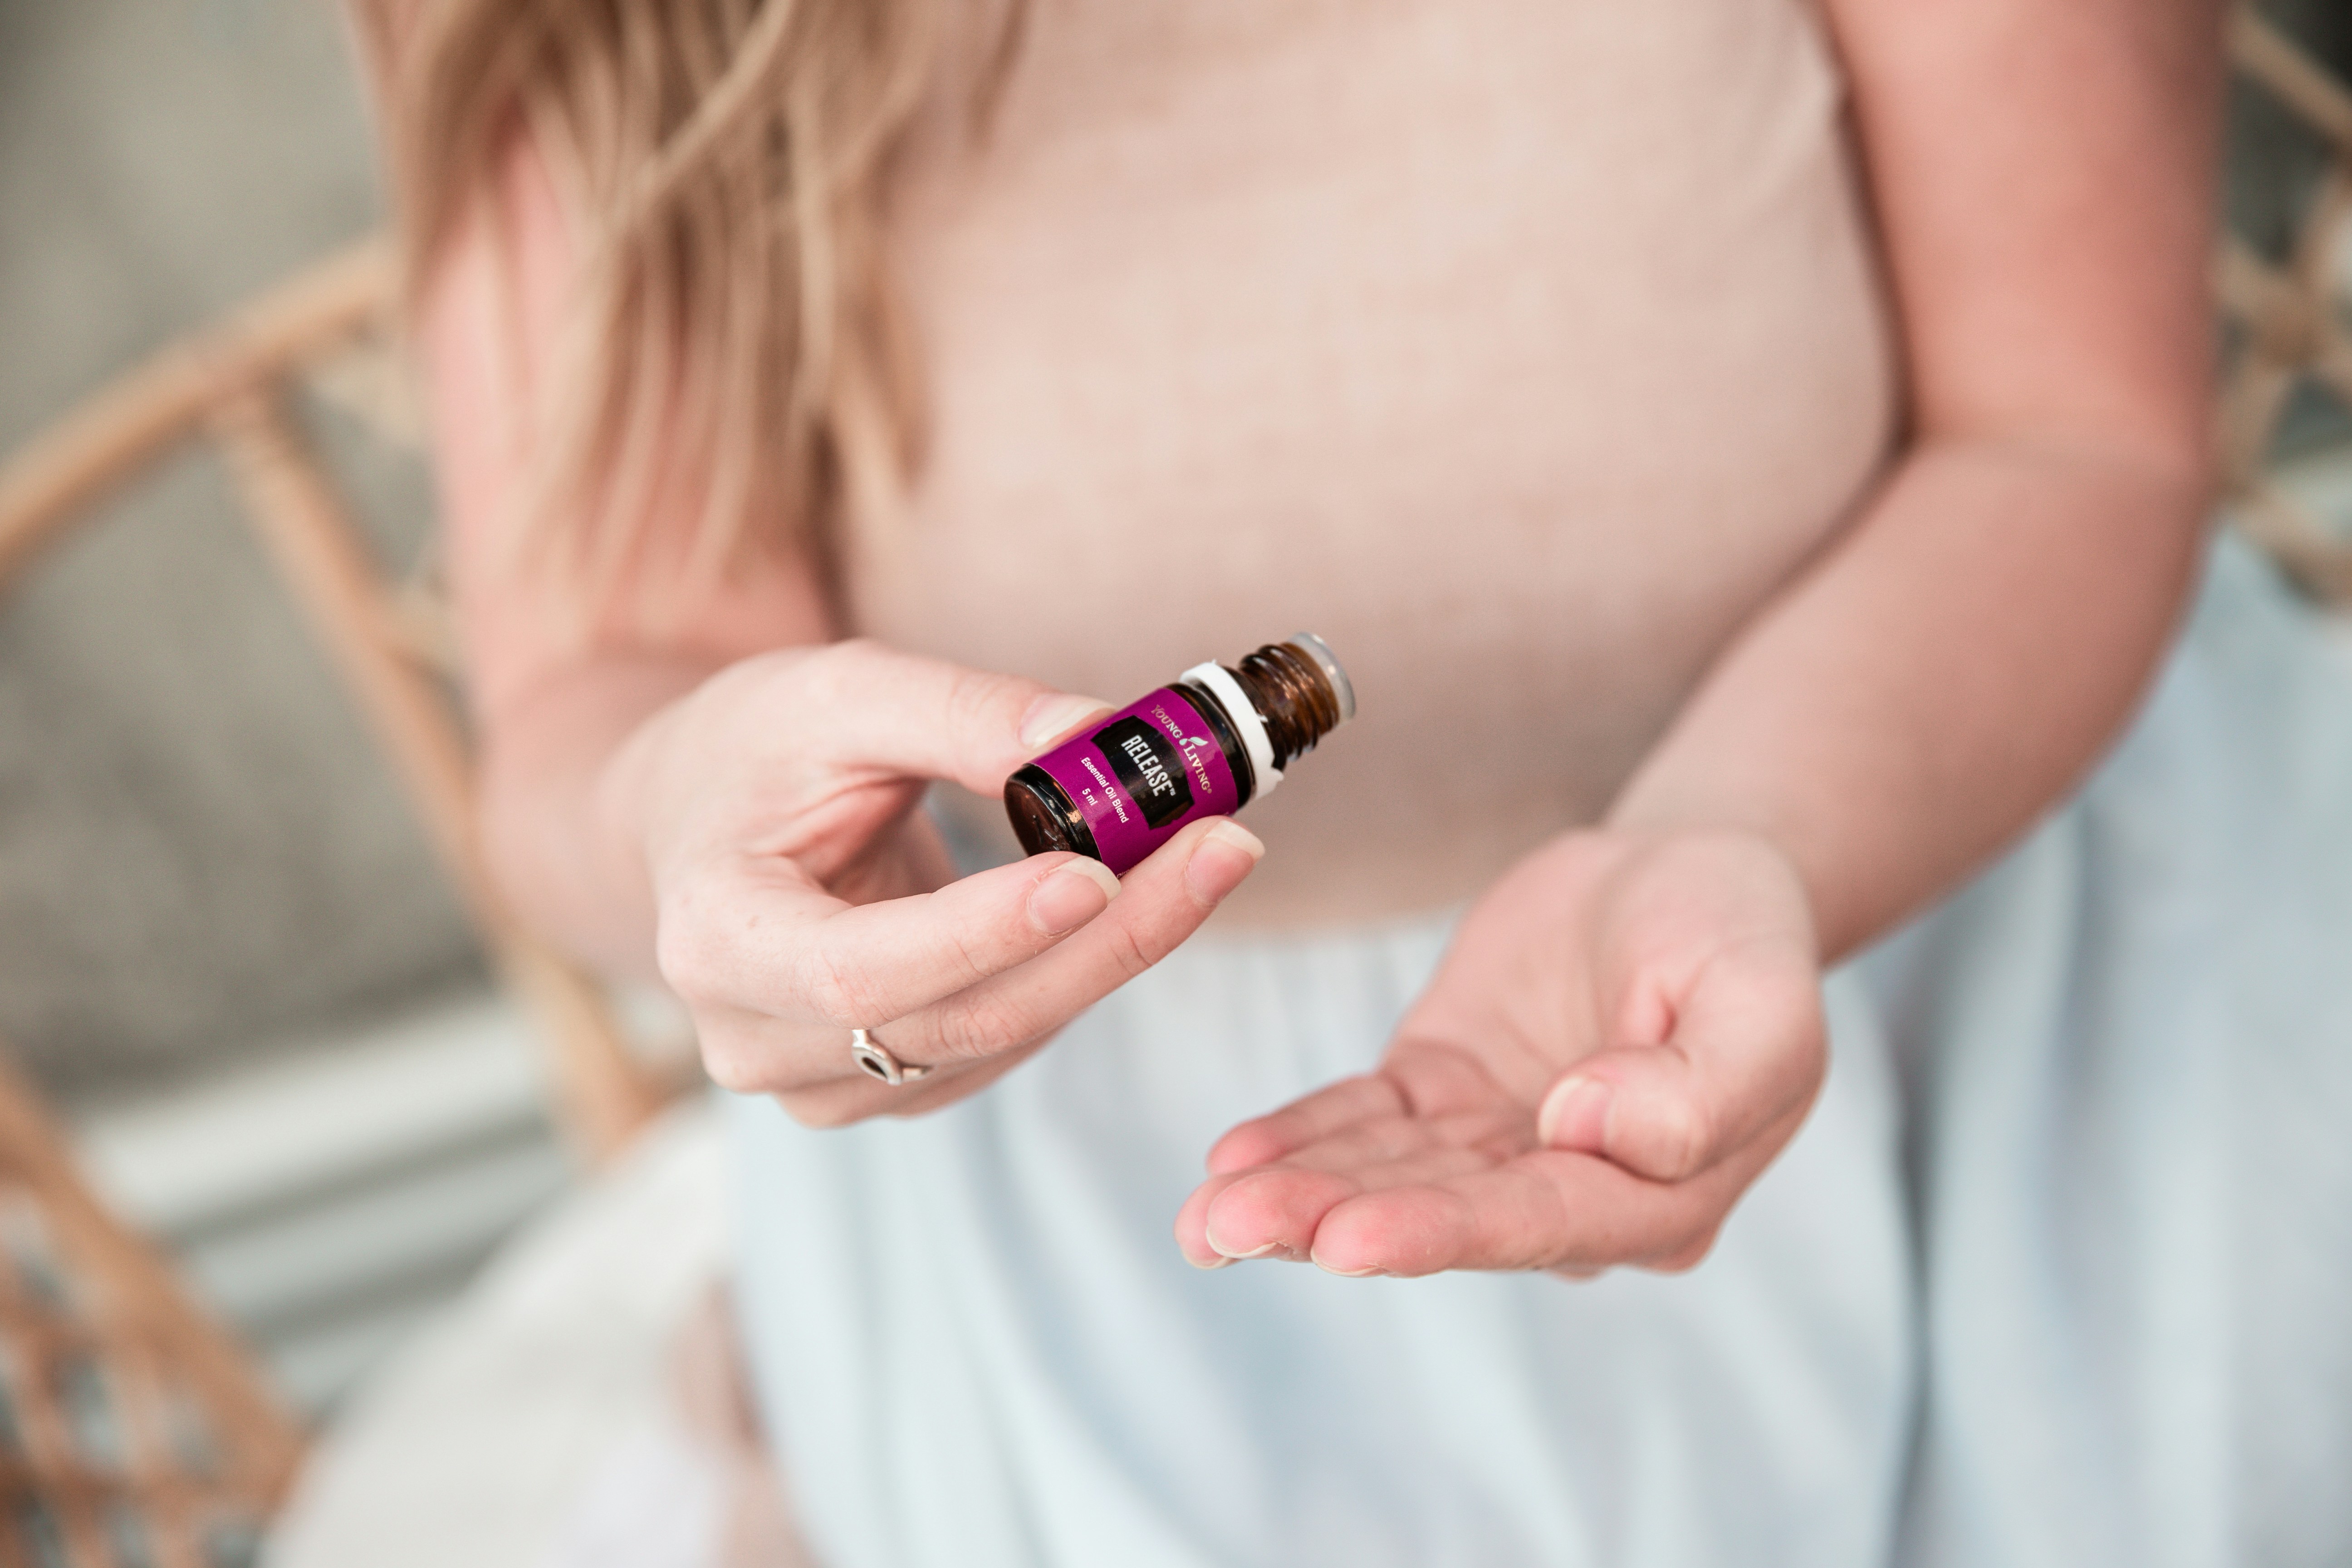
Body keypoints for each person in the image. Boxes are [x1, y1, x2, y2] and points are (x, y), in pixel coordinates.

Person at [360, 0, 2352, 1563]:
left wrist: (1737, 837)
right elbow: (597, 683)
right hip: (1115, 1251)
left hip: (1984, 970)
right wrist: (686, 832)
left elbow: (2066, 433)